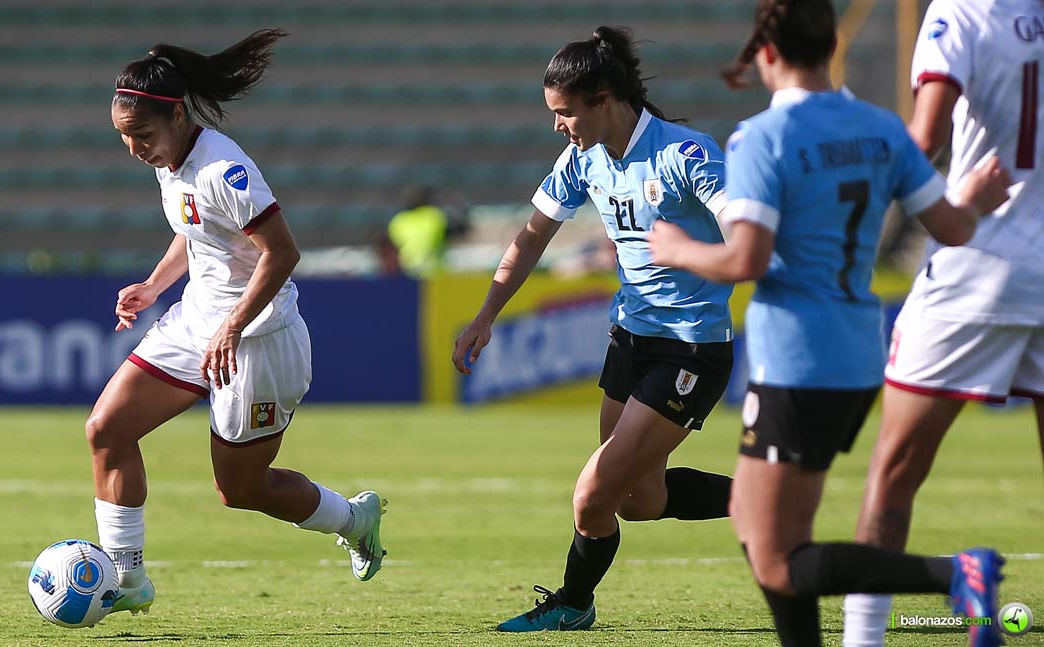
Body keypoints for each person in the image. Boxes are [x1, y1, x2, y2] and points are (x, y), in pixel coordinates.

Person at [647, 2, 1012, 646]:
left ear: (765, 53)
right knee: (774, 539)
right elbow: (952, 229)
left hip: (797, 357)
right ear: (831, 46)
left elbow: (745, 258)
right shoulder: (880, 127)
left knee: (774, 557)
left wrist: (675, 249)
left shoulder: (762, 137)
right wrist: (973, 201)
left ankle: (958, 576)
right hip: (856, 357)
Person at [453, 26, 736, 632]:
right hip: (631, 339)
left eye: (564, 113)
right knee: (639, 501)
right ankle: (768, 500)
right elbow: (532, 236)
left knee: (592, 497)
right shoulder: (583, 158)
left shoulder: (685, 154)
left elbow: (744, 229)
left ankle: (572, 604)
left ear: (603, 98)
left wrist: (693, 247)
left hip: (690, 347)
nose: (558, 125)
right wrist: (485, 315)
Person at [95, 29, 387, 616]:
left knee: (241, 490)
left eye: (142, 136)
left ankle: (354, 518)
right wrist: (155, 286)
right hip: (197, 324)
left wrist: (232, 326)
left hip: (258, 342)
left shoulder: (226, 169)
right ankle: (127, 578)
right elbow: (195, 228)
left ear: (176, 116)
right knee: (107, 430)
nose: (135, 150)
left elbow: (282, 253)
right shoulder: (170, 161)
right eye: (124, 138)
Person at [843, 1, 1044, 644]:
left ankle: (863, 637)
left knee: (894, 469)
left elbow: (923, 140)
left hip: (978, 267)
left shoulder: (961, 11)